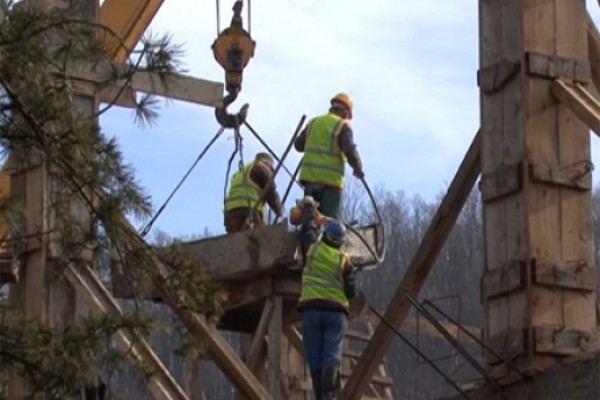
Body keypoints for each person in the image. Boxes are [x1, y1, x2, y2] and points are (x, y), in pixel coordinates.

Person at [297, 207, 359, 400]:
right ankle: (328, 395)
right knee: (331, 353)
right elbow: (352, 292)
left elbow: (307, 232)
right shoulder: (344, 261)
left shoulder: (311, 250)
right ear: (340, 242)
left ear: (325, 236)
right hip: (335, 314)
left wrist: (310, 215)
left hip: (311, 311)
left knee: (314, 356)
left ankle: (319, 395)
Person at [295, 93, 365, 219]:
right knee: (329, 224)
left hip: (309, 182)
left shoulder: (313, 123)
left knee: (310, 220)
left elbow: (298, 145)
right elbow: (349, 149)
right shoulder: (342, 126)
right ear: (345, 113)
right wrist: (358, 168)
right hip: (330, 185)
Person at [223, 152, 284, 233]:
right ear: (268, 164)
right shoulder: (262, 168)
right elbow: (271, 193)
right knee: (261, 240)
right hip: (247, 212)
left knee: (238, 243)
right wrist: (280, 210)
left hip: (229, 217)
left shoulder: (243, 171)